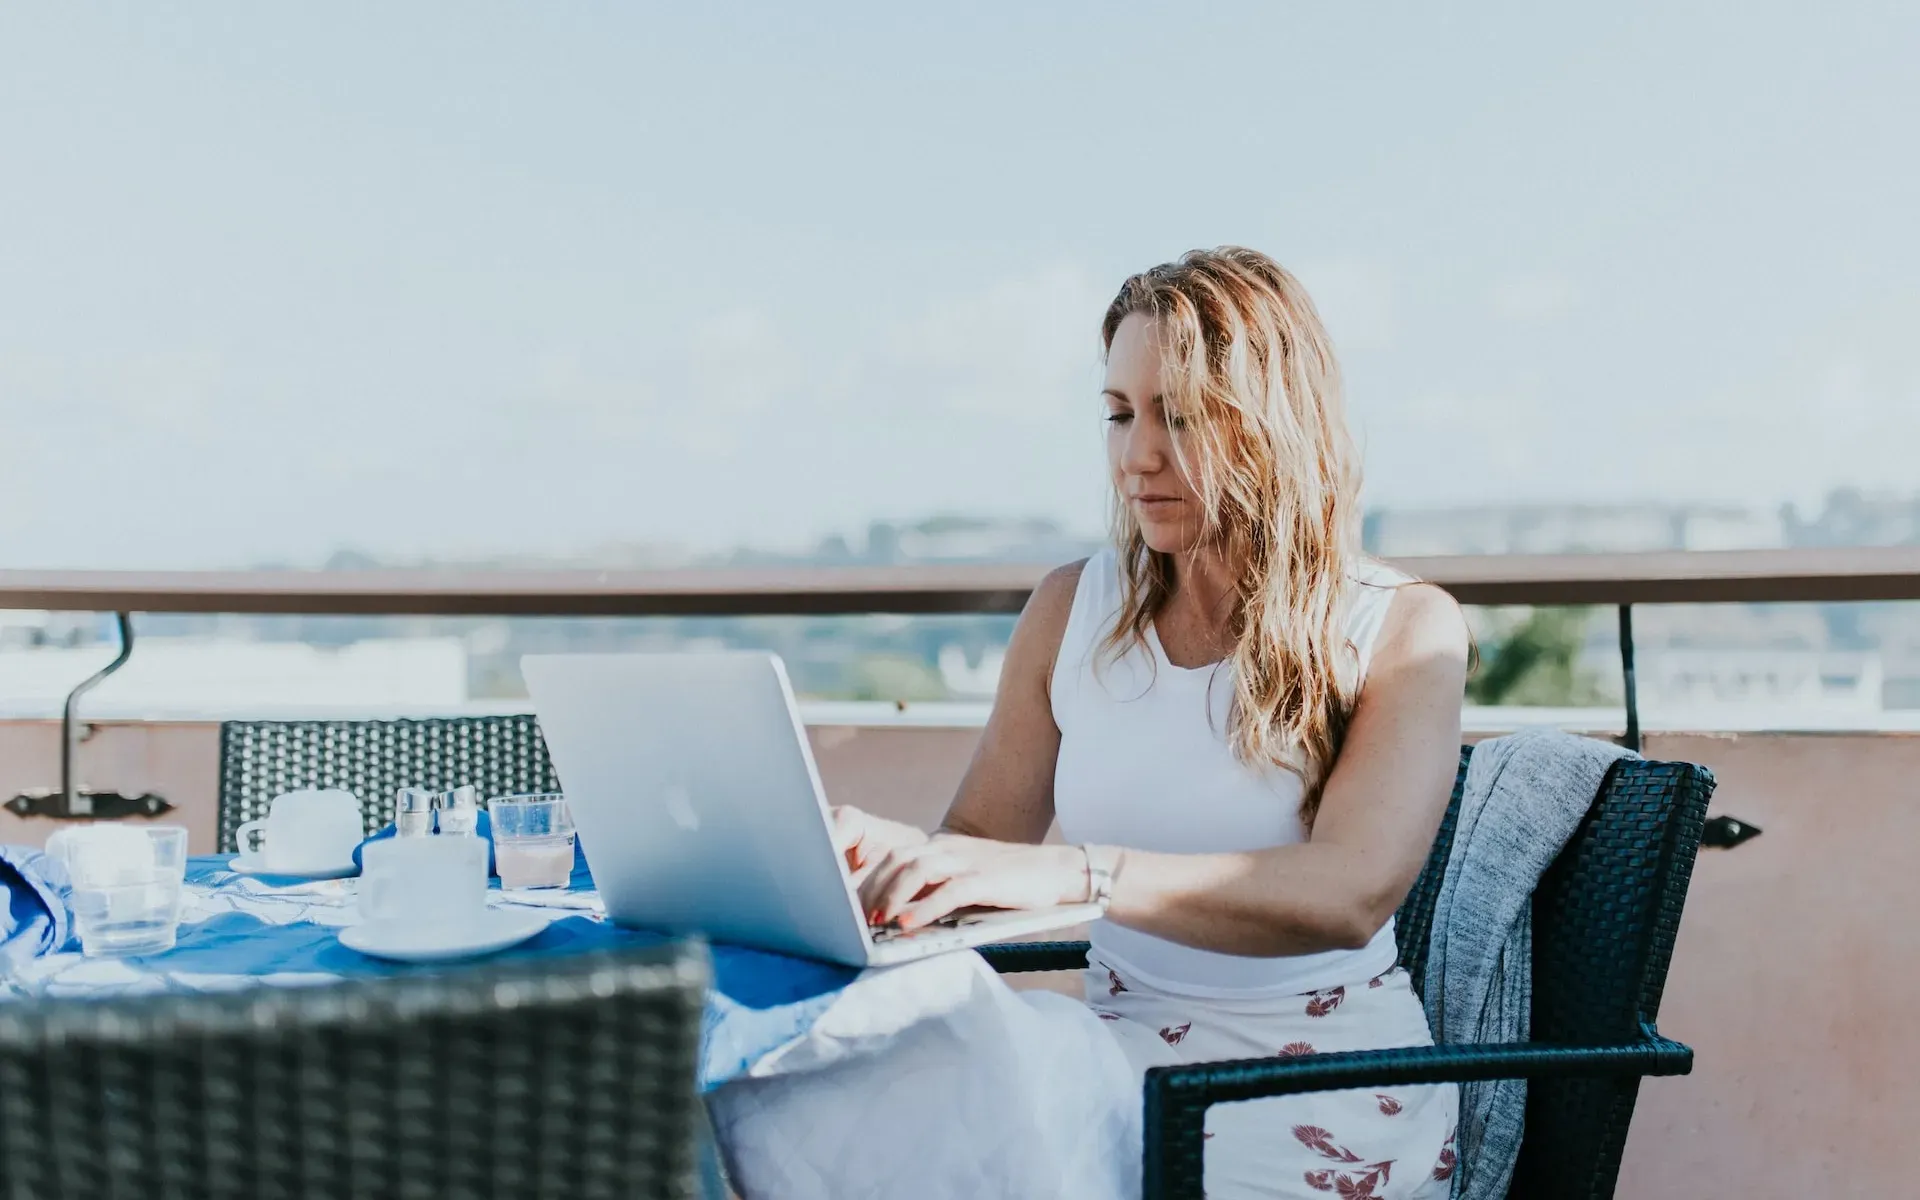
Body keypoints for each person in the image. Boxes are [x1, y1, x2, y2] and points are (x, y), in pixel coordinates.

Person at [714, 247, 1466, 1200]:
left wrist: (1078, 874)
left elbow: (1351, 892)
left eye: (1182, 417)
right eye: (1119, 414)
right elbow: (985, 840)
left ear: (1275, 425)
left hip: (1316, 1092)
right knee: (811, 1101)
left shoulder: (1399, 628)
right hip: (1115, 1064)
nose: (1137, 456)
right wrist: (891, 866)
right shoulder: (1073, 609)